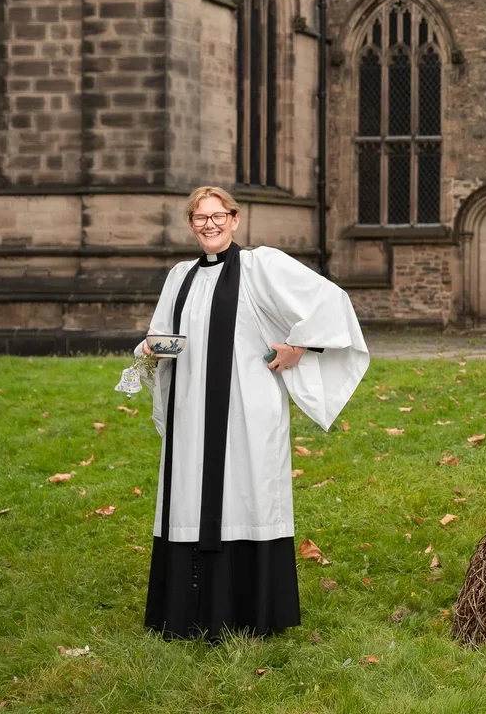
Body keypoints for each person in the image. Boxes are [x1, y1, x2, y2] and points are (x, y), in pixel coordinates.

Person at [137, 185, 369, 640]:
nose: (210, 224)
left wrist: (300, 345)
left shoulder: (263, 265)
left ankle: (252, 614)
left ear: (235, 219)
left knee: (247, 495)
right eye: (200, 218)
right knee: (189, 497)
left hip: (249, 407)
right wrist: (150, 349)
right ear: (190, 224)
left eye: (218, 216)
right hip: (191, 410)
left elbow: (329, 301)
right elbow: (160, 336)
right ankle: (188, 614)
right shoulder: (179, 276)